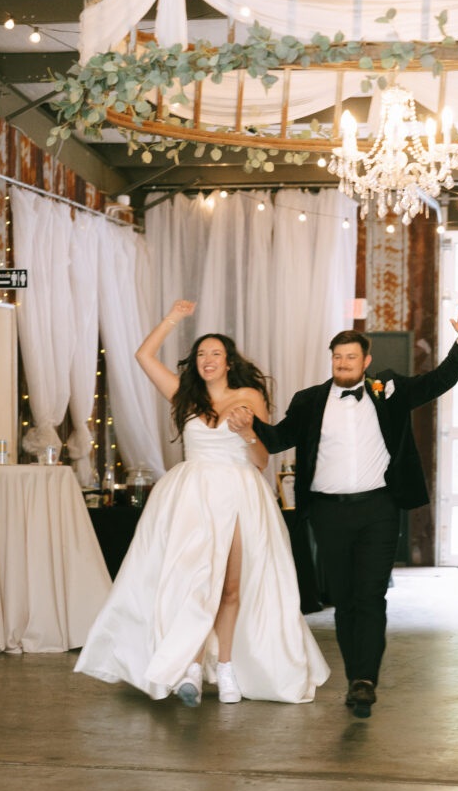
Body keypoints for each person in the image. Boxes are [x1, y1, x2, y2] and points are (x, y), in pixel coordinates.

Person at [227, 302, 458, 719]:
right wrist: (249, 425)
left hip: (378, 508)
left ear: (367, 361)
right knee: (344, 601)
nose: (343, 363)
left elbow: (438, 381)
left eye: (350, 357)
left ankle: (364, 680)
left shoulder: (388, 390)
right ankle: (354, 677)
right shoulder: (308, 401)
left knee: (371, 596)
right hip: (328, 513)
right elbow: (276, 441)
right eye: (337, 357)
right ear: (332, 361)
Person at [74, 300, 329, 706]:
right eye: (201, 354)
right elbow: (143, 355)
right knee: (194, 582)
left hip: (240, 493)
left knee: (229, 588)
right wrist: (174, 317)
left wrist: (248, 433)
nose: (208, 360)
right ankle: (191, 667)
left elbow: (262, 460)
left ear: (229, 362)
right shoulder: (184, 396)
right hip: (192, 495)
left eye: (216, 354)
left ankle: (225, 669)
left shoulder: (249, 396)